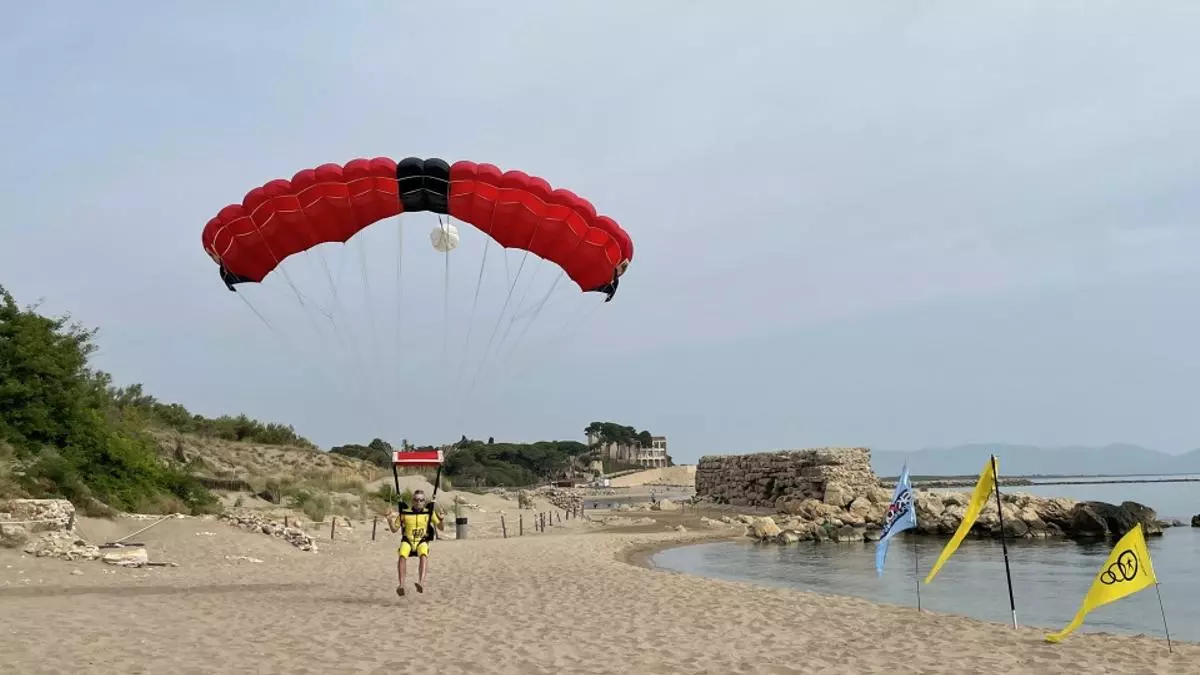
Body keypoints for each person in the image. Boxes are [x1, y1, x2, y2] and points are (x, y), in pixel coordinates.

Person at [387, 489, 443, 596]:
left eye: (421, 500)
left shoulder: (429, 513)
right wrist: (389, 521)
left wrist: (441, 519)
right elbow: (394, 529)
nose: (418, 502)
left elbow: (441, 528)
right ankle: (401, 585)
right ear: (412, 500)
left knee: (423, 555)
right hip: (408, 540)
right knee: (402, 556)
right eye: (416, 500)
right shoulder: (405, 513)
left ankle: (421, 583)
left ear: (424, 501)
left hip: (421, 540)